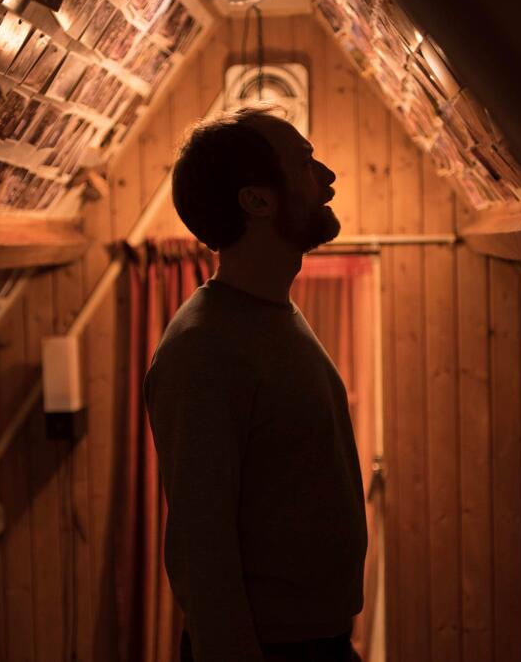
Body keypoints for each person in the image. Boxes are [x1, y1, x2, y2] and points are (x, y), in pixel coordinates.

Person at [144, 105, 368, 662]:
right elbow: (204, 558)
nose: (327, 178)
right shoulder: (204, 349)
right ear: (258, 200)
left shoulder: (273, 313)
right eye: (305, 162)